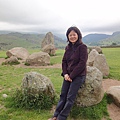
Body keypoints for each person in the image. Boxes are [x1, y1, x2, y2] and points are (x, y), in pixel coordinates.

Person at [48, 26, 88, 120]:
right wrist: (65, 74)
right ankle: (55, 115)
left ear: (78, 35)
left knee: (70, 97)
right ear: (68, 37)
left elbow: (82, 63)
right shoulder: (68, 47)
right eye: (70, 35)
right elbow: (64, 61)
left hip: (78, 75)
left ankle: (61, 117)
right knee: (63, 95)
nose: (72, 36)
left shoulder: (82, 47)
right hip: (68, 75)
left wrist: (72, 75)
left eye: (74, 34)